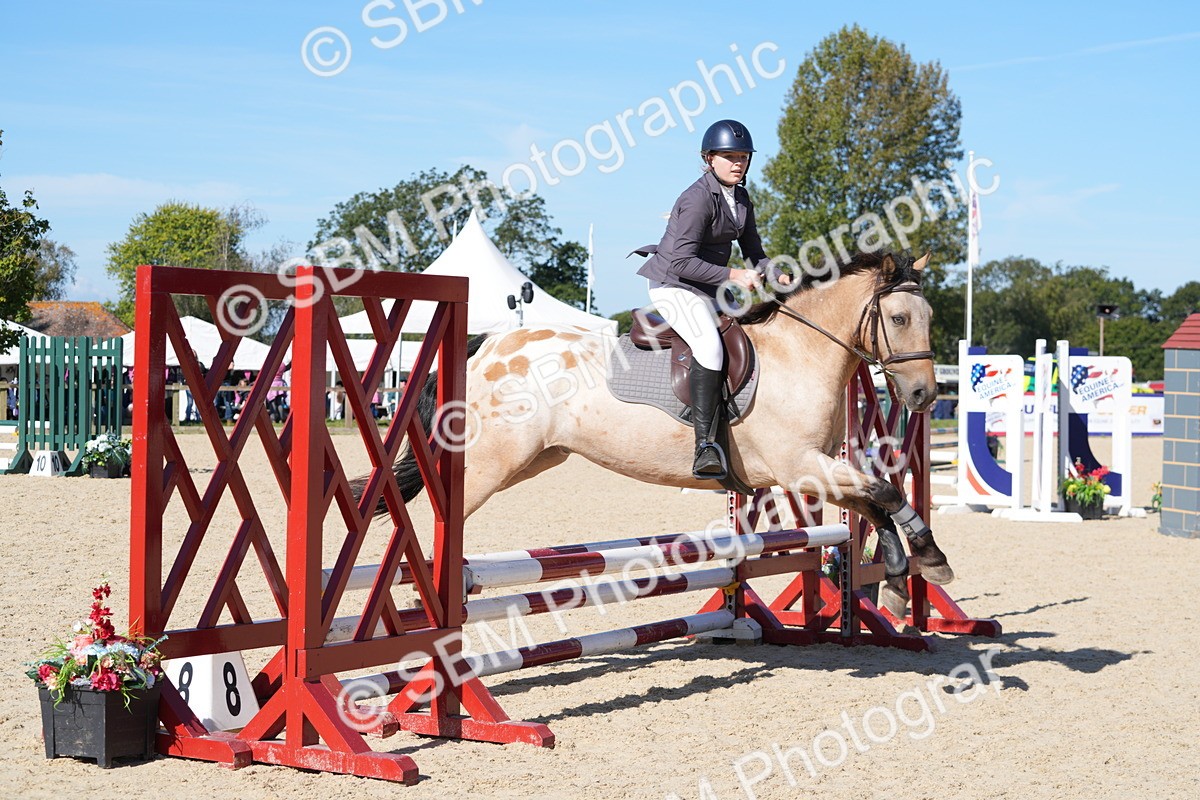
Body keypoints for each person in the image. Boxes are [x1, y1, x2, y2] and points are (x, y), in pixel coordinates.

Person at [634, 119, 790, 480]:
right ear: (709, 159)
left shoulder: (742, 199)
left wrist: (778, 274)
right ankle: (705, 446)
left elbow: (755, 253)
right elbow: (681, 261)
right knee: (709, 346)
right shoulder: (696, 198)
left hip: (705, 286)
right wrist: (735, 276)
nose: (738, 163)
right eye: (730, 156)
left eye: (743, 157)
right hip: (672, 283)